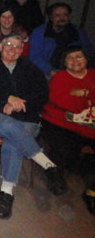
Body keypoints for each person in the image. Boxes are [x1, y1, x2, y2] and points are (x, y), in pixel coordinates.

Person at [0, 35, 66, 219]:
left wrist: (19, 105)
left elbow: (41, 96)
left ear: (22, 50)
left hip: (26, 118)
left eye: (17, 46)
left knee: (13, 140)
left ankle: (6, 194)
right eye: (8, 45)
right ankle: (48, 165)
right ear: (0, 46)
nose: (12, 49)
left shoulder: (32, 71)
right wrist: (6, 100)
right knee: (9, 125)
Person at [40, 46, 95, 214]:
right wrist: (88, 101)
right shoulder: (60, 78)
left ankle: (91, 191)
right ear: (64, 62)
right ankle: (55, 173)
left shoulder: (92, 75)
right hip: (60, 122)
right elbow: (61, 102)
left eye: (78, 57)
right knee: (64, 149)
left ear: (86, 59)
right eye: (70, 58)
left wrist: (84, 92)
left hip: (90, 125)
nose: (75, 61)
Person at [29, 2, 93, 78]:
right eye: (57, 15)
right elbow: (34, 56)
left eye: (65, 15)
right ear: (51, 17)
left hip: (73, 70)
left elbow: (88, 52)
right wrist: (51, 71)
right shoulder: (39, 32)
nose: (62, 18)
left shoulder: (78, 32)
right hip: (46, 71)